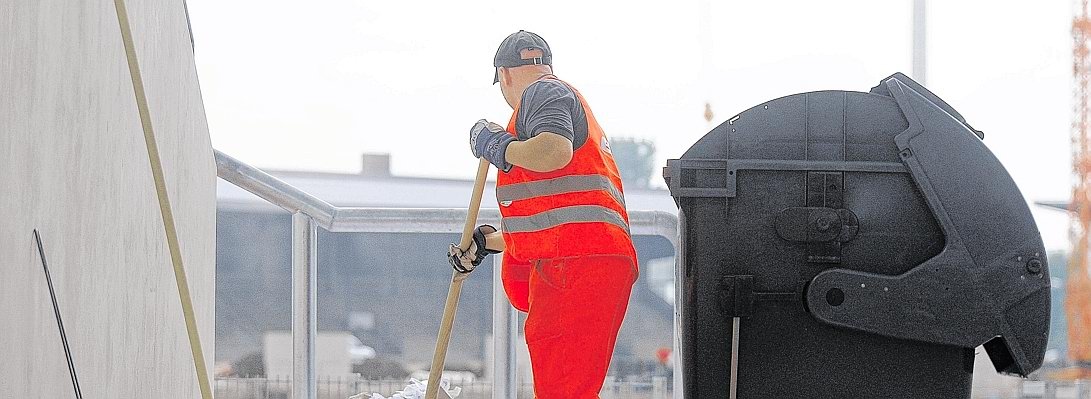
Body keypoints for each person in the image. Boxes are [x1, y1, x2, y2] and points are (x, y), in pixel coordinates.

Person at [448, 30, 638, 399]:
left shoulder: (543, 92)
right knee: (568, 389)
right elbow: (561, 217)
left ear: (504, 75)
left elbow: (554, 152)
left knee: (563, 392)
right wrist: (489, 241)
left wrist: (499, 146)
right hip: (585, 259)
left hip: (576, 263)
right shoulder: (564, 99)